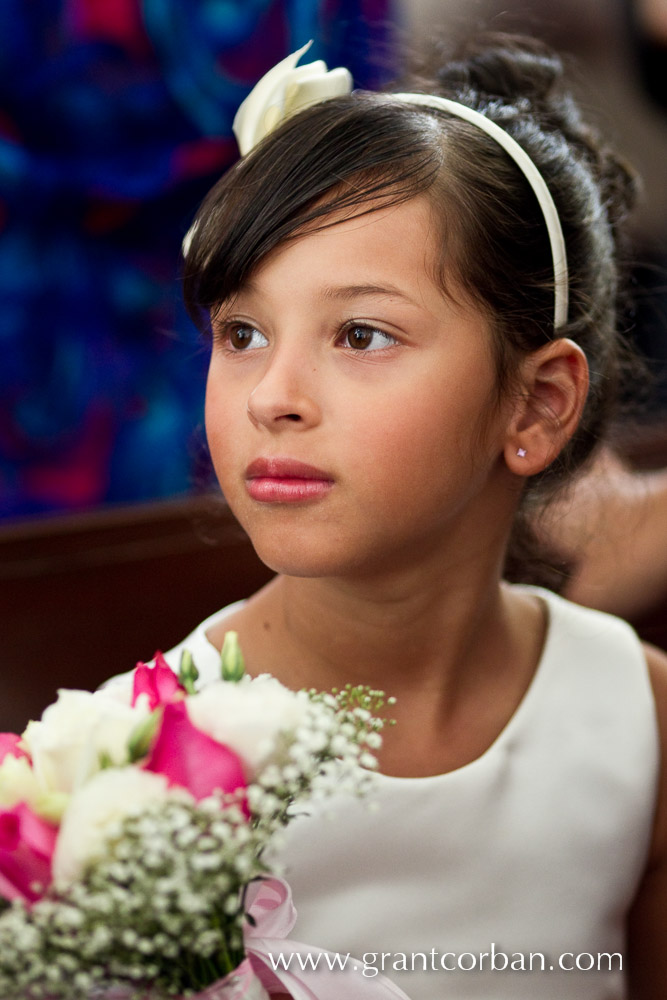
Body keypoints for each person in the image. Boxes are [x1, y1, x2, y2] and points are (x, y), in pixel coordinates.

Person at [161, 33, 667, 999]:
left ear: (534, 406)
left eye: (360, 333)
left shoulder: (636, 712)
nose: (274, 394)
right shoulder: (144, 757)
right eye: (242, 332)